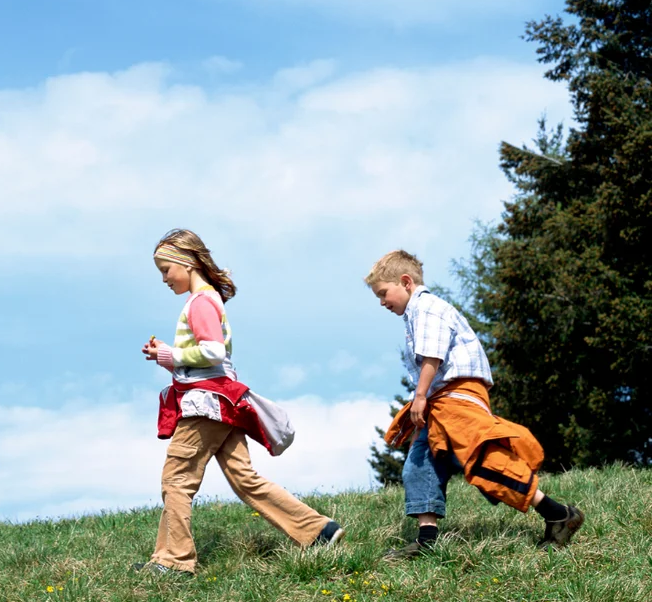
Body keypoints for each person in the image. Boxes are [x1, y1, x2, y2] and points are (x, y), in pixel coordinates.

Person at [137, 230, 343, 577]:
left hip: (205, 405)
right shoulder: (210, 299)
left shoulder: (200, 302)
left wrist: (169, 355)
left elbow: (213, 351)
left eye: (165, 269)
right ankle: (317, 531)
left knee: (176, 480)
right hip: (224, 403)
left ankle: (175, 562)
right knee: (244, 479)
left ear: (186, 263)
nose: (163, 278)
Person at [365, 249, 585, 559]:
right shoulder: (416, 313)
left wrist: (420, 396)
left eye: (384, 293)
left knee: (483, 460)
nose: (382, 302)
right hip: (441, 401)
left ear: (406, 282)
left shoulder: (427, 307)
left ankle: (558, 513)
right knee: (420, 464)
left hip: (458, 396)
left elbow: (433, 355)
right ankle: (426, 542)